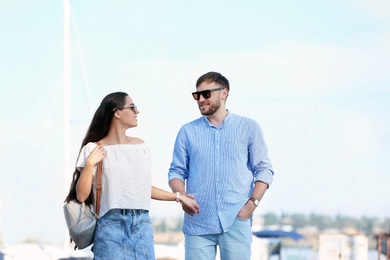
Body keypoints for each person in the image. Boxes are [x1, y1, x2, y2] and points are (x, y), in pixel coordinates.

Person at [65, 92, 200, 260]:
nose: (137, 111)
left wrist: (179, 197)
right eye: (132, 107)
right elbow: (82, 195)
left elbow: (143, 189)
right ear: (117, 112)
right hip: (110, 225)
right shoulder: (93, 148)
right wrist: (90, 163)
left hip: (142, 225)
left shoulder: (140, 147)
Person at [168, 72, 274, 260]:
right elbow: (176, 171)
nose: (200, 99)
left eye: (206, 94)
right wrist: (182, 197)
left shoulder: (249, 127)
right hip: (197, 222)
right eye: (197, 95)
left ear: (224, 93)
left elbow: (264, 169)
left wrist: (252, 203)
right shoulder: (187, 131)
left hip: (236, 219)